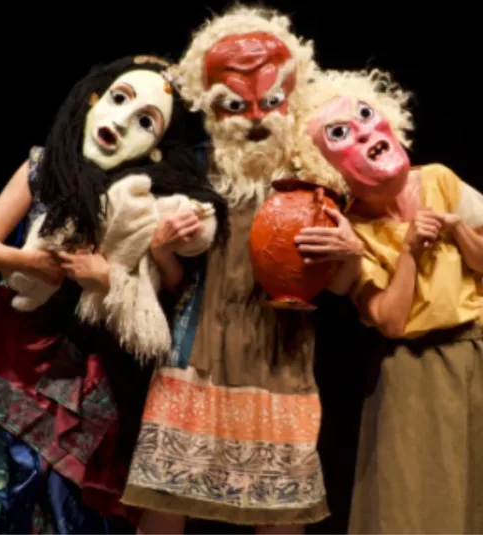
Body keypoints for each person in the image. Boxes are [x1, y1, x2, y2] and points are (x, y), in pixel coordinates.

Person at [0, 54, 224, 533]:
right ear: (93, 100)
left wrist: (132, 266)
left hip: (94, 359)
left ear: (157, 147)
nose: (124, 120)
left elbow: (171, 291)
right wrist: (34, 263)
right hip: (17, 351)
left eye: (146, 121)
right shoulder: (43, 166)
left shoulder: (148, 198)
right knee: (7, 489)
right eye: (119, 98)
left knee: (72, 502)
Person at [119, 6, 349, 532]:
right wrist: (162, 249)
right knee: (164, 500)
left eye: (270, 101)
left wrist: (349, 249)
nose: (255, 118)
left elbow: (337, 287)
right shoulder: (192, 171)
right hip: (197, 350)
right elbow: (176, 283)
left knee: (281, 510)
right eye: (236, 105)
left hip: (279, 354)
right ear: (210, 104)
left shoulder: (316, 173)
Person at [293, 67, 483, 534]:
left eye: (364, 116)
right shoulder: (351, 233)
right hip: (416, 374)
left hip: (477, 350)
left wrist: (459, 228)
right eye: (340, 134)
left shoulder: (438, 180)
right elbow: (391, 321)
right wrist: (410, 252)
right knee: (418, 505)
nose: (363, 133)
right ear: (328, 168)